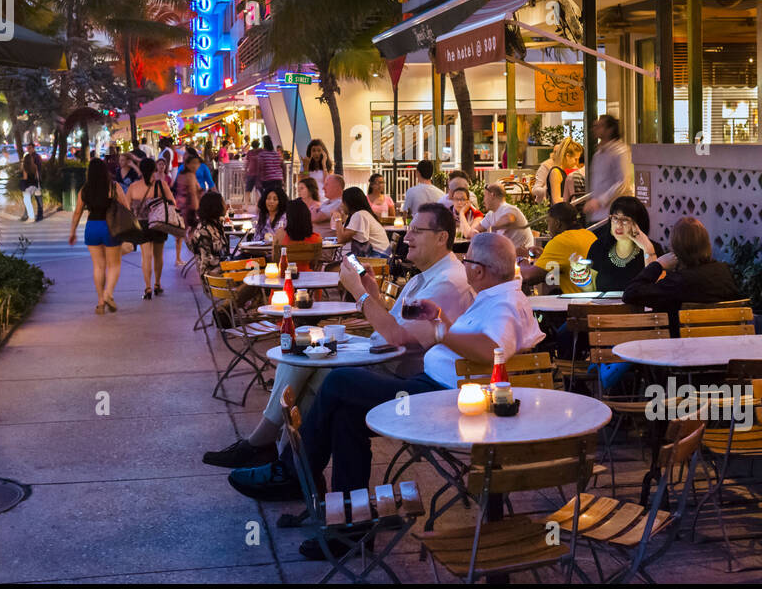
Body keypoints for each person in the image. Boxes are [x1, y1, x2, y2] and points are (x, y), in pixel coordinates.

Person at [227, 233, 543, 556]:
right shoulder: (494, 296)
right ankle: (349, 531)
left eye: (468, 261)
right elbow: (470, 340)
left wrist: (440, 330)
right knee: (345, 415)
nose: (463, 265)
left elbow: (493, 350)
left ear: (479, 270)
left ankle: (294, 474)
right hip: (435, 390)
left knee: (339, 382)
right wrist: (441, 319)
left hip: (443, 402)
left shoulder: (505, 304)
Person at [204, 203, 475, 472]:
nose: (406, 237)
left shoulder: (447, 283)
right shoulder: (427, 277)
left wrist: (359, 292)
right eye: (409, 229)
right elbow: (395, 323)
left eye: (416, 230)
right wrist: (373, 293)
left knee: (314, 370)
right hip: (385, 360)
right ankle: (284, 462)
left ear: (442, 237)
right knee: (305, 347)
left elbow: (396, 335)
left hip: (400, 375)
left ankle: (273, 454)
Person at [622, 217, 740, 315]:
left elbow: (630, 294)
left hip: (681, 342)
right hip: (721, 340)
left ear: (676, 249)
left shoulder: (678, 282)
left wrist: (657, 265)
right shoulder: (724, 273)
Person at [68, 158, 130, 316]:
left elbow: (77, 213)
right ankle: (108, 293)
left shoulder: (85, 189)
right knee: (114, 264)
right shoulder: (113, 187)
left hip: (92, 228)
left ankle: (100, 303)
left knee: (98, 266)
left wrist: (73, 231)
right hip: (110, 227)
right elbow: (126, 207)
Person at [518, 202, 597, 294]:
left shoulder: (561, 241)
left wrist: (522, 258)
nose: (548, 227)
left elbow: (529, 277)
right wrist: (544, 254)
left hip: (577, 303)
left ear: (557, 223)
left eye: (549, 222)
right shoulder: (589, 235)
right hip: (594, 298)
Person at [587, 196, 659, 293]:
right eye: (615, 218)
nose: (618, 225)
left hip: (639, 307)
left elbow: (654, 289)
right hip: (604, 307)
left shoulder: (653, 248)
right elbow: (591, 290)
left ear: (638, 223)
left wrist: (647, 248)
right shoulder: (599, 246)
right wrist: (580, 277)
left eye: (625, 219)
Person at [128, 157, 172, 300]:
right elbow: (173, 202)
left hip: (142, 225)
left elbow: (126, 207)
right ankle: (157, 284)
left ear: (140, 170)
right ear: (154, 169)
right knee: (158, 256)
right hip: (158, 223)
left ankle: (147, 287)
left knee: (146, 257)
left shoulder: (134, 187)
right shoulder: (161, 185)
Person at [582, 115, 634, 224]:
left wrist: (599, 201)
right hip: (597, 214)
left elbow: (623, 182)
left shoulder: (620, 151)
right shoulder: (598, 153)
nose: (594, 129)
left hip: (612, 214)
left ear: (610, 130)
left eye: (600, 126)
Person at [476, 182, 533, 253]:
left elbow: (509, 219)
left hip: (523, 257)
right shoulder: (490, 214)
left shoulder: (509, 209)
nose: (483, 201)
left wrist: (493, 228)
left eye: (485, 196)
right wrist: (462, 214)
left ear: (492, 195)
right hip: (507, 255)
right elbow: (475, 230)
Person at [335, 186, 391, 258]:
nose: (341, 205)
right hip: (381, 255)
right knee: (344, 260)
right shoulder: (362, 214)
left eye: (343, 202)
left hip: (377, 257)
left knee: (339, 264)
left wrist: (337, 219)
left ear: (349, 203)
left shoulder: (359, 215)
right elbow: (343, 236)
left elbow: (341, 239)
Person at [187, 191, 230, 280]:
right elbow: (206, 268)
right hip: (217, 279)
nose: (226, 206)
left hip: (224, 271)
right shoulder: (204, 231)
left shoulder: (215, 225)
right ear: (216, 207)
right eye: (223, 202)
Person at [272, 198, 322, 269]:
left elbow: (275, 259)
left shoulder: (280, 235)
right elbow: (315, 264)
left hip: (286, 275)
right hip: (308, 277)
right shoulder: (317, 239)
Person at [173, 152, 202, 266]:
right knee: (189, 231)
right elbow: (193, 193)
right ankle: (188, 252)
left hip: (180, 206)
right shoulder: (190, 176)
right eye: (193, 163)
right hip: (188, 207)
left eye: (197, 163)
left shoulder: (181, 174)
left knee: (181, 233)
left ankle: (178, 257)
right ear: (188, 164)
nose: (196, 166)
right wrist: (196, 209)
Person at [547, 139, 584, 205]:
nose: (577, 162)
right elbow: (556, 200)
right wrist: (574, 199)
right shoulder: (556, 172)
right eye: (575, 159)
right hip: (558, 213)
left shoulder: (562, 171)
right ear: (567, 156)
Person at [311, 173, 345, 238]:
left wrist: (313, 208)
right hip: (318, 243)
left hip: (328, 244)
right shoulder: (327, 202)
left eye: (327, 185)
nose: (323, 188)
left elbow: (315, 218)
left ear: (336, 187)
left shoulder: (339, 203)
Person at [19, 142, 44, 222]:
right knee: (29, 199)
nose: (28, 149)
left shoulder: (36, 157)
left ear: (33, 148)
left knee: (36, 199)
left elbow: (38, 169)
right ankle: (28, 215)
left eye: (30, 148)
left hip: (35, 181)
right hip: (35, 182)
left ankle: (38, 215)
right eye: (27, 148)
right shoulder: (29, 157)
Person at [244, 139, 261, 207]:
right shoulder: (261, 151)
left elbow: (247, 163)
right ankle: (257, 205)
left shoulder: (250, 152)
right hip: (258, 174)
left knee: (248, 190)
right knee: (257, 190)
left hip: (251, 173)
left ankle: (246, 205)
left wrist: (245, 172)